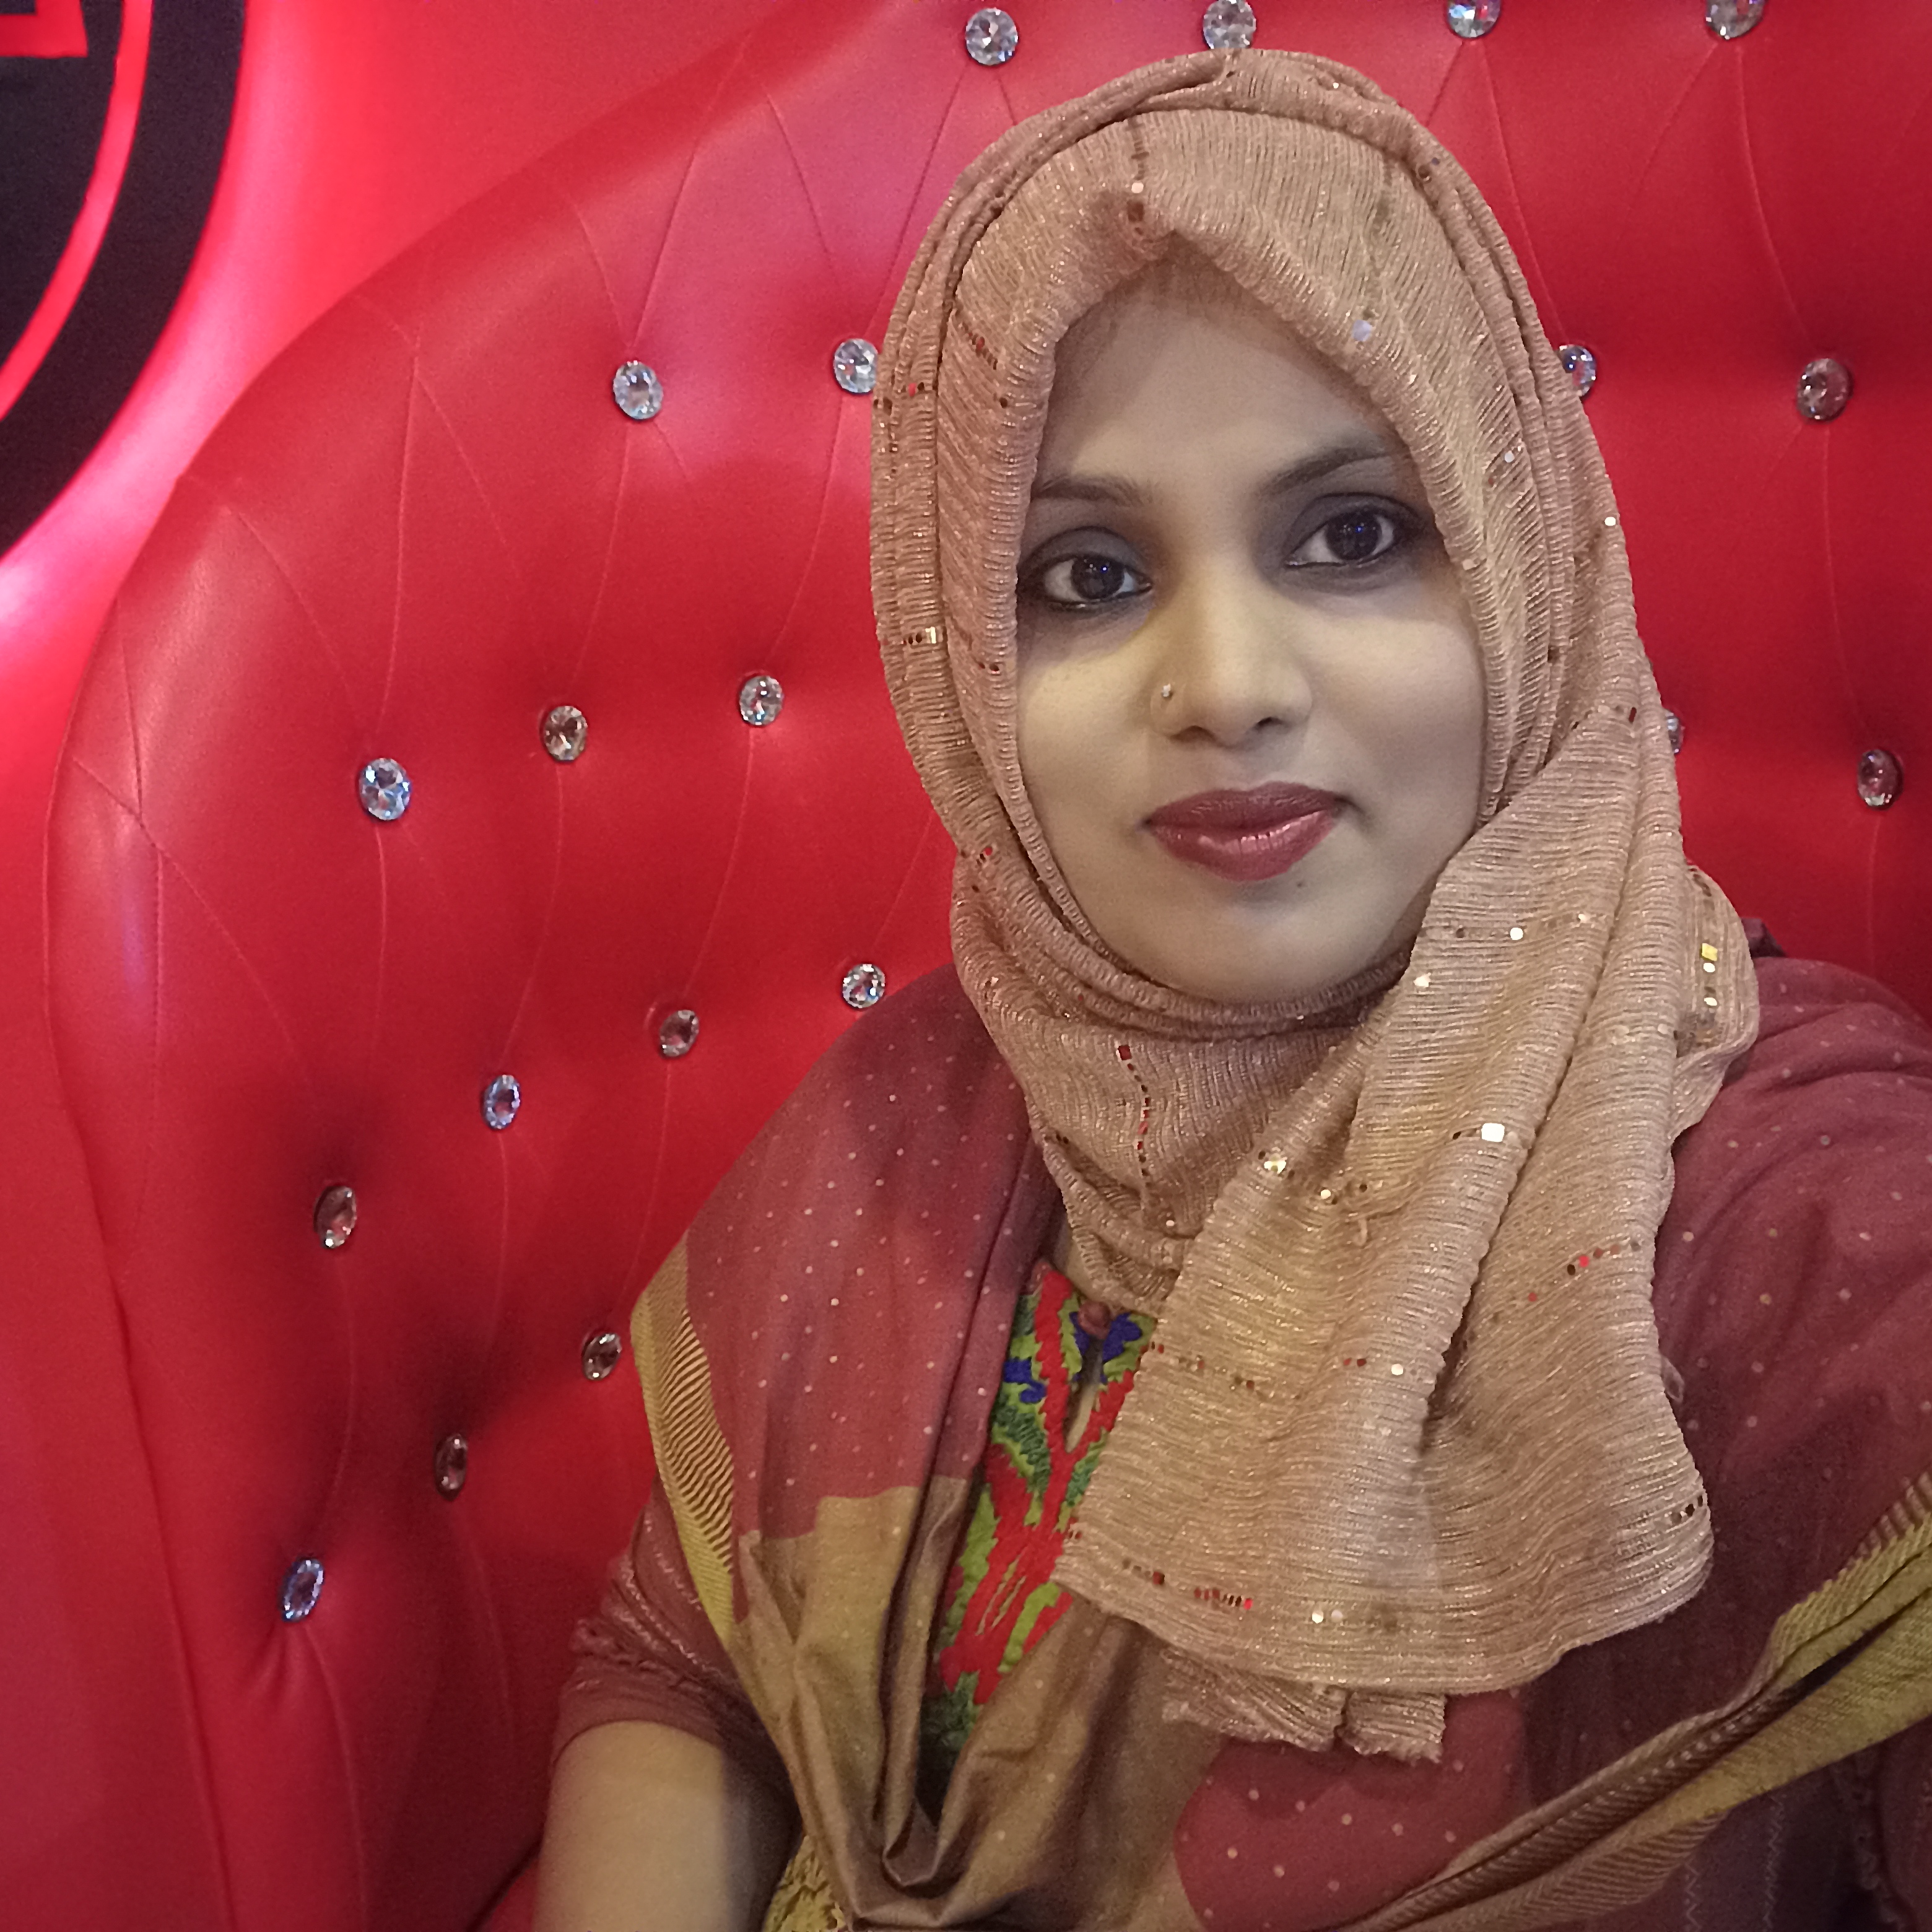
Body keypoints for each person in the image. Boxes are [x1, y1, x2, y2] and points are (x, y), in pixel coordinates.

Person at [534, 48, 1932, 1932]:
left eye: (1352, 535)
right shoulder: (917, 1116)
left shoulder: (1783, 1205)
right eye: (1088, 575)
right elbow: (678, 1664)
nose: (1228, 685)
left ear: (1520, 562)